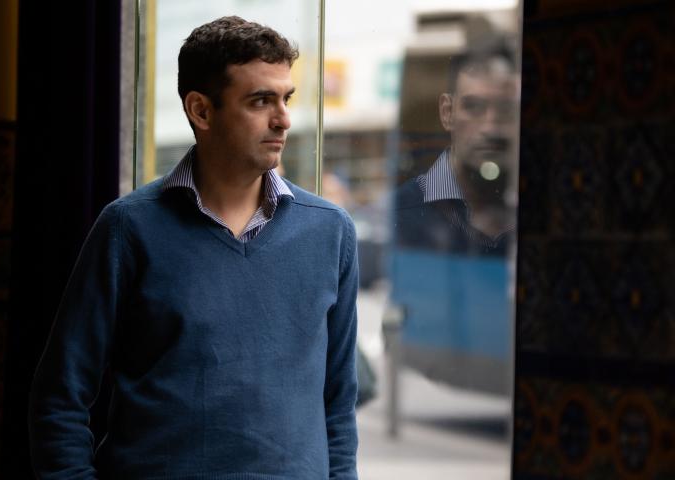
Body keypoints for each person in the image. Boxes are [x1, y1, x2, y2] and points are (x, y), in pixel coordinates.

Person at [29, 16, 359, 479]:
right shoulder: (128, 227)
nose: (283, 119)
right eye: (260, 100)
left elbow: (339, 404)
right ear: (201, 111)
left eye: (286, 98)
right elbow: (60, 397)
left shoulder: (330, 231)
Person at [394, 39, 519, 254]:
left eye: (505, 109)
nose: (490, 128)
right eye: (474, 107)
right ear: (447, 112)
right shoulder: (401, 211)